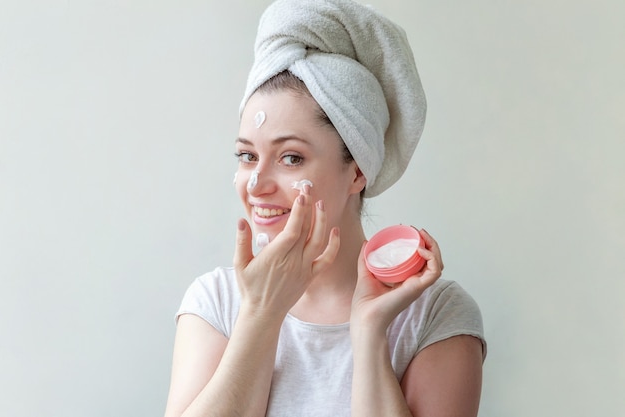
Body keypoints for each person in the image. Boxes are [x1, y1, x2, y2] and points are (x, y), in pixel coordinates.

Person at [164, 0, 486, 416]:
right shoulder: (216, 302)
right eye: (247, 156)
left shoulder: (434, 313)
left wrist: (369, 334)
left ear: (356, 172)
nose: (257, 184)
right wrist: (263, 313)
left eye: (291, 158)